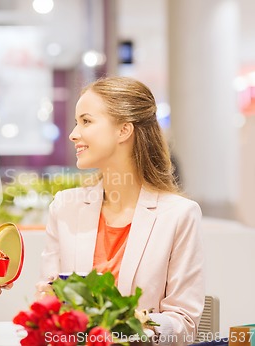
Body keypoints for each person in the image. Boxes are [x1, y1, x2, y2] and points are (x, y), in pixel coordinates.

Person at [36, 76, 204, 345]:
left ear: (124, 130)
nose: (73, 133)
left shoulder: (179, 215)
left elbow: (184, 322)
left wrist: (122, 327)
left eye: (86, 121)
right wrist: (49, 301)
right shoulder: (64, 207)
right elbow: (48, 299)